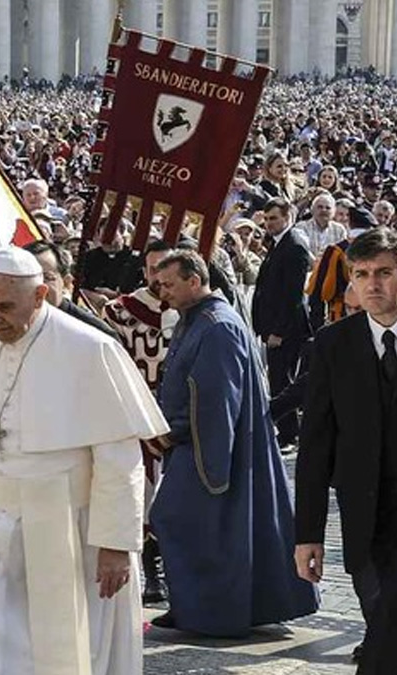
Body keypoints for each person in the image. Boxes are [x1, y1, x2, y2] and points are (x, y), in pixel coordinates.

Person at [0, 247, 168, 674]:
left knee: (52, 647)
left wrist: (115, 544)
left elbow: (117, 456)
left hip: (67, 525)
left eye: (5, 307)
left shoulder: (90, 348)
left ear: (39, 295)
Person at [296, 228, 397, 674]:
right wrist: (308, 533)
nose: (372, 284)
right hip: (365, 513)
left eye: (383, 272)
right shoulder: (332, 344)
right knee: (394, 616)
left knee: (394, 609)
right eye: (361, 274)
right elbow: (316, 444)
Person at [149, 249, 318, 636]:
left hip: (211, 450)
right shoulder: (195, 319)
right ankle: (192, 605)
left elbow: (216, 399)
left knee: (179, 519)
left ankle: (209, 610)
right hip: (191, 444)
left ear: (195, 281)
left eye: (170, 285)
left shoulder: (218, 326)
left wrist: (180, 438)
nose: (164, 293)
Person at [101, 238, 178, 604]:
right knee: (143, 498)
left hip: (181, 421)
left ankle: (178, 571)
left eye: (166, 267)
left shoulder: (195, 309)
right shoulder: (121, 312)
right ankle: (151, 574)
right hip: (137, 421)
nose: (159, 277)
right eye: (152, 269)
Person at [252, 197, 313, 450]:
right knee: (278, 378)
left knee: (282, 380)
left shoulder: (294, 245)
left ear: (288, 216)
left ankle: (290, 434)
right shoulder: (279, 244)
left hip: (286, 330)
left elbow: (292, 296)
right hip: (273, 327)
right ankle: (288, 431)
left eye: (274, 218)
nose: (268, 223)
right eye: (266, 219)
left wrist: (278, 331)